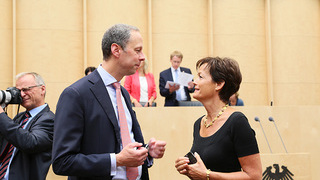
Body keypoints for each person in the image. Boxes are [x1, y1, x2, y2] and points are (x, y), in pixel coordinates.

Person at [52, 24, 166, 180]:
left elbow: (121, 145)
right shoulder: (76, 95)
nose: (143, 57)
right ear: (116, 50)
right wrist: (116, 160)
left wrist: (146, 152)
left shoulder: (123, 93)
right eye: (137, 50)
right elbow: (62, 162)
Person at [175, 57, 262, 179]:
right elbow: (203, 173)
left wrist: (207, 175)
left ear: (219, 84)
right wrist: (188, 168)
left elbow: (255, 176)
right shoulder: (199, 124)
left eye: (200, 77)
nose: (194, 81)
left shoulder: (237, 121)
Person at [0, 72, 54, 180]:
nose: (22, 95)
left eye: (26, 89)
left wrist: (1, 116)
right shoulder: (20, 117)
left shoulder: (50, 119)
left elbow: (30, 142)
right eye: (18, 91)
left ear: (42, 89)